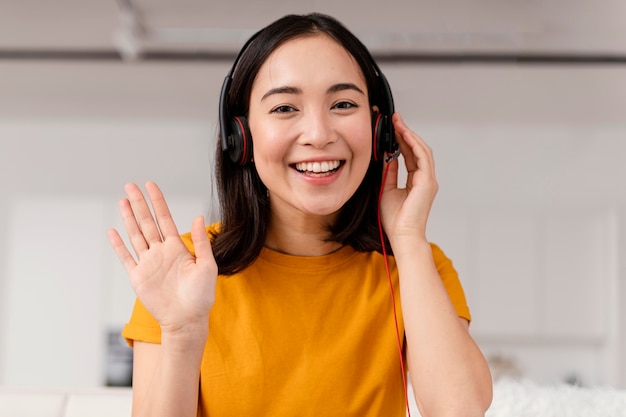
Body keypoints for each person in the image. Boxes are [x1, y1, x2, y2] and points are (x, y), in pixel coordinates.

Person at [108, 12, 493, 417]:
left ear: (380, 129)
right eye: (285, 108)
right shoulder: (183, 271)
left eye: (343, 104)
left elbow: (460, 410)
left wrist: (409, 237)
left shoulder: (414, 265)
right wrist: (182, 334)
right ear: (240, 135)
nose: (318, 133)